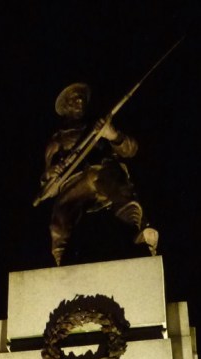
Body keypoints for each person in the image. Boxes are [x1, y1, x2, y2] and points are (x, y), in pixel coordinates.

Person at [41, 82, 158, 266]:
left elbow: (131, 149)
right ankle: (59, 259)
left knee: (121, 189)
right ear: (65, 108)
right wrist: (50, 173)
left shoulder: (100, 124)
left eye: (81, 98)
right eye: (74, 99)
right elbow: (47, 185)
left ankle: (138, 230)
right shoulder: (57, 139)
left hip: (103, 172)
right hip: (75, 183)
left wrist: (112, 135)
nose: (79, 101)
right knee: (61, 216)